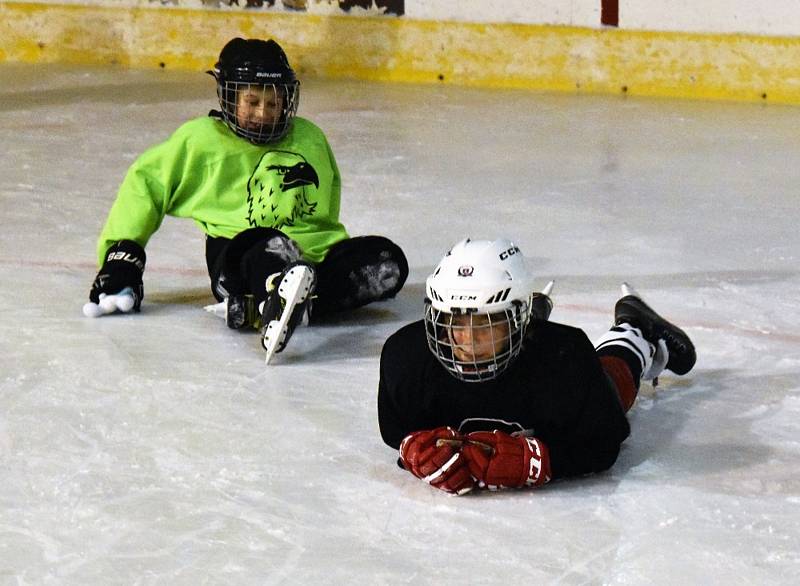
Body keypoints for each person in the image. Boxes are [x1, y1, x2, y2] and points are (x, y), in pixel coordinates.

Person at [84, 37, 408, 360]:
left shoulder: (309, 136)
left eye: (273, 103)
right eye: (251, 102)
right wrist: (122, 253)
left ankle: (292, 302)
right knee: (269, 243)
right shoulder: (202, 139)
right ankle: (275, 294)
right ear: (228, 96)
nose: (263, 113)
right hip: (239, 255)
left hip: (313, 257)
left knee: (387, 260)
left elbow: (324, 209)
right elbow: (146, 183)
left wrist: (333, 252)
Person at [377, 238, 696, 495]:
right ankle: (530, 314)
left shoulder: (564, 360)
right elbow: (397, 432)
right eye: (455, 322)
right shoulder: (406, 358)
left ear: (518, 319)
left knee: (608, 382)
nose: (467, 340)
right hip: (525, 338)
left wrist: (541, 461)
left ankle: (634, 327)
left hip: (542, 354)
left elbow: (603, 441)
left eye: (485, 324)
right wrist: (412, 449)